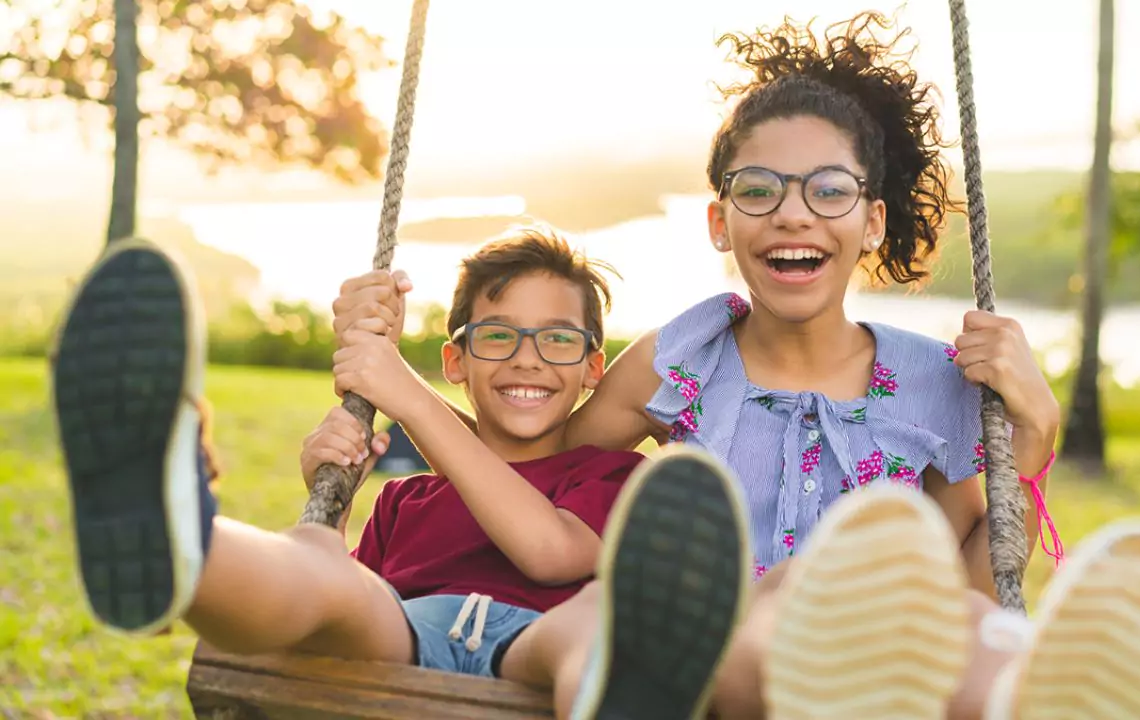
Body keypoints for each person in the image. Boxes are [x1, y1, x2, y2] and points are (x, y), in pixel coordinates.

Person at [335, 14, 1140, 719]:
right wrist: (382, 398)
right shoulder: (682, 360)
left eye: (829, 190)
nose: (794, 215)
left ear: (872, 221)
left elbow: (972, 569)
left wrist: (1031, 443)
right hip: (731, 655)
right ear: (720, 224)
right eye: (759, 190)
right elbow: (533, 461)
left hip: (884, 650)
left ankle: (1040, 689)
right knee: (769, 628)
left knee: (953, 618)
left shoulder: (943, 384)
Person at [51, 230, 752, 720]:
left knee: (603, 617)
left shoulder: (612, 475)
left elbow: (549, 551)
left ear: (593, 368)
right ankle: (181, 540)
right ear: (456, 362)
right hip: (407, 637)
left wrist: (404, 392)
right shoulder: (405, 498)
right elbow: (340, 614)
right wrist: (332, 498)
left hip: (538, 644)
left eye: (559, 340)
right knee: (324, 566)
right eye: (497, 335)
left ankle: (621, 696)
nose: (528, 358)